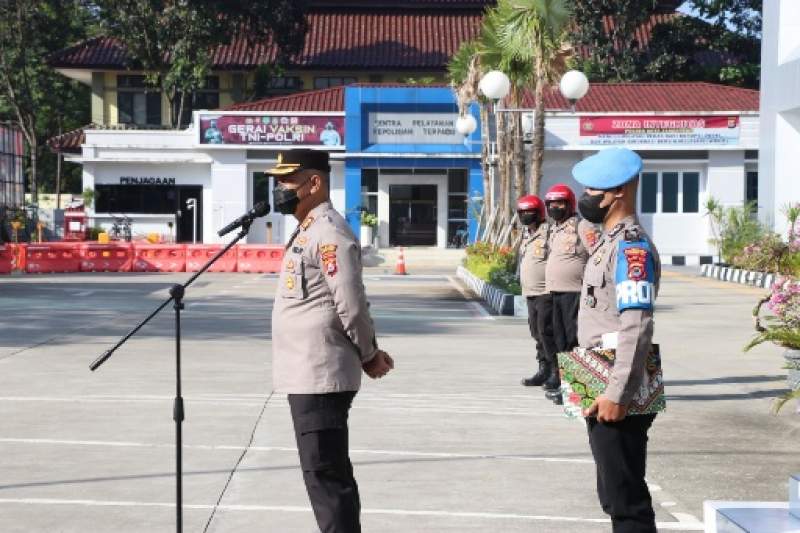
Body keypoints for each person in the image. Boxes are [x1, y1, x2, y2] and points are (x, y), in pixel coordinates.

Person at [268, 149, 395, 533]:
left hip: (320, 374)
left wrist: (369, 354)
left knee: (326, 477)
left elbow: (351, 303)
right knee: (325, 475)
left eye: (287, 181)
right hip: (306, 372)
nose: (280, 188)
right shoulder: (308, 227)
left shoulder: (328, 232)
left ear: (315, 183)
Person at [573, 147, 661, 533]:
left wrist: (619, 393)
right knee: (611, 493)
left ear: (619, 192)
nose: (586, 196)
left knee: (626, 499)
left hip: (616, 378)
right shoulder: (609, 241)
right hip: (595, 370)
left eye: (595, 189)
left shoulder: (631, 248)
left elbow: (637, 324)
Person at [543, 183, 599, 402]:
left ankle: (576, 390)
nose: (554, 207)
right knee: (560, 340)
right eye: (551, 204)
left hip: (574, 293)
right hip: (555, 293)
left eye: (559, 203)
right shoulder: (554, 229)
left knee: (573, 340)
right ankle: (566, 385)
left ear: (569, 204)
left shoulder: (582, 226)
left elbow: (597, 254)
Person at [516, 194, 557, 387]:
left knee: (546, 331)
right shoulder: (525, 235)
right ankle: (544, 369)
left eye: (529, 211)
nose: (525, 215)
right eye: (522, 212)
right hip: (530, 292)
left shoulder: (549, 232)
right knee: (536, 332)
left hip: (545, 292)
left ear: (539, 212)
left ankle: (556, 371)